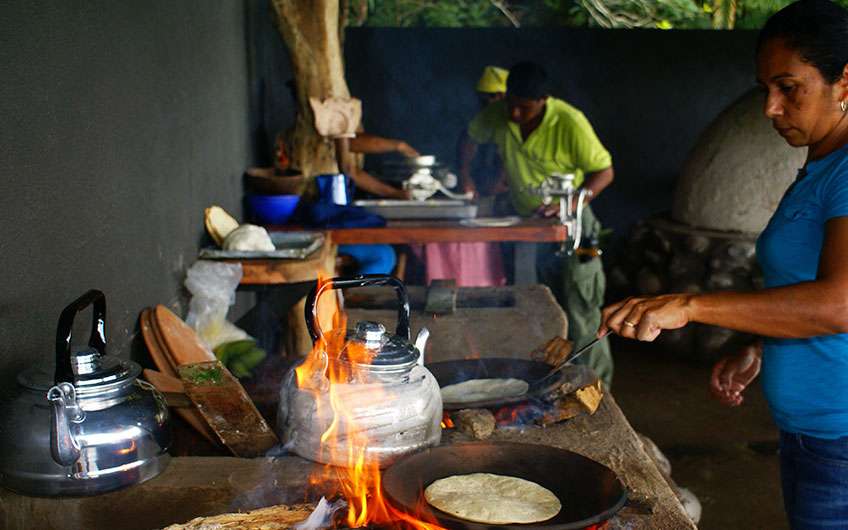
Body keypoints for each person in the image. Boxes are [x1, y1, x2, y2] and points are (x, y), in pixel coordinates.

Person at [598, 1, 848, 526]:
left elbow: (840, 303)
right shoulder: (822, 167)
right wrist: (763, 343)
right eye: (765, 90)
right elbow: (809, 288)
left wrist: (690, 305)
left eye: (789, 88)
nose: (771, 109)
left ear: (844, 81)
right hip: (814, 434)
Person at [460, 61, 615, 387]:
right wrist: (468, 177)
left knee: (580, 310)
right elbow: (470, 138)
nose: (515, 114)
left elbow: (604, 172)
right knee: (532, 304)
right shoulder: (500, 113)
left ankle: (595, 390)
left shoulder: (569, 121)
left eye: (524, 108)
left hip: (573, 224)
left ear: (544, 100)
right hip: (525, 223)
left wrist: (570, 203)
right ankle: (539, 384)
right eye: (511, 105)